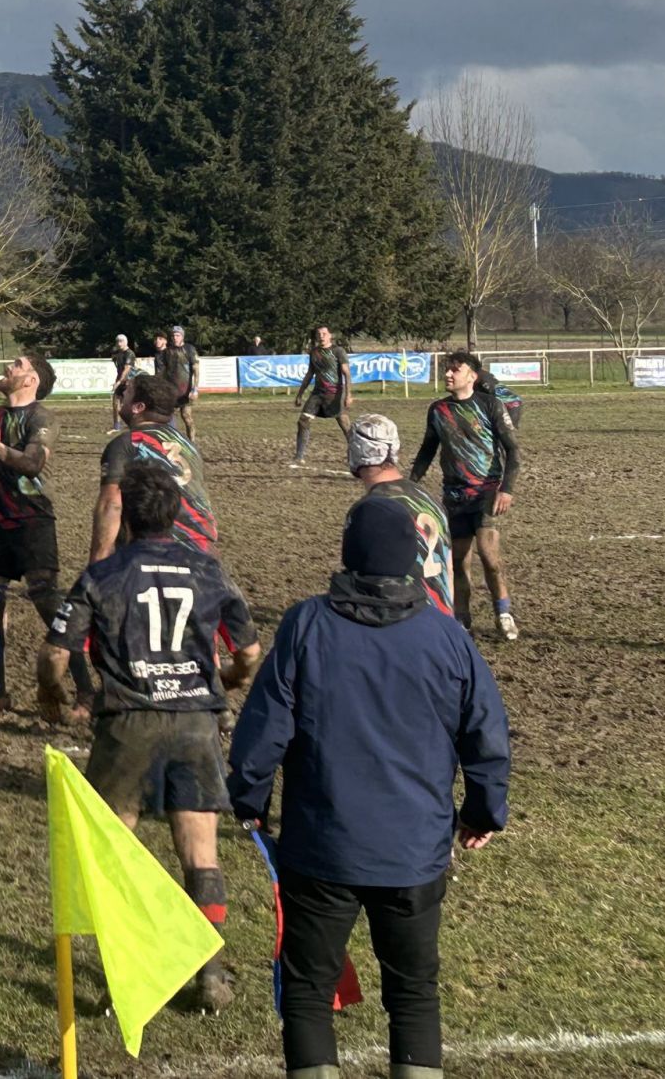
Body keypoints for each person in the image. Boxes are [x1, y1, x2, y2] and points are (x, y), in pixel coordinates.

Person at [228, 497, 510, 1079]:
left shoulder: (307, 624)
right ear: (413, 558)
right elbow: (486, 733)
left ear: (348, 554)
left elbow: (263, 728)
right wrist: (483, 811)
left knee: (308, 990)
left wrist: (249, 798)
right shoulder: (448, 637)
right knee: (413, 992)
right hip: (415, 853)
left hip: (322, 849)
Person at [42, 465, 261, 1013]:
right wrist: (224, 683)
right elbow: (250, 655)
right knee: (202, 856)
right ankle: (209, 975)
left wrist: (52, 696)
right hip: (195, 723)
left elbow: (53, 654)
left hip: (128, 724)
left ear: (128, 516)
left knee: (117, 856)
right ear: (175, 512)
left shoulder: (103, 574)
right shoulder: (209, 570)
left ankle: (132, 975)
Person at [0, 353, 76, 718]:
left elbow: (31, 463)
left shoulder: (42, 418)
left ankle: (85, 690)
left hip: (32, 522)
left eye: (18, 365)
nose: (8, 367)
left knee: (47, 604)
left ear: (31, 380)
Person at [410, 350, 522, 641]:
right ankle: (462, 620)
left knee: (489, 558)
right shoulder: (437, 410)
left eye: (454, 370)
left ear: (471, 376)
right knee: (458, 562)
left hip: (486, 493)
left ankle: (503, 613)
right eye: (447, 370)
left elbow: (513, 450)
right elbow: (427, 450)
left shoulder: (490, 405)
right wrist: (411, 482)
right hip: (454, 496)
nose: (448, 374)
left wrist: (506, 489)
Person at [91, 373, 216, 564]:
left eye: (129, 392)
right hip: (202, 544)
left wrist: (98, 563)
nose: (123, 395)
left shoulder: (127, 443)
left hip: (157, 546)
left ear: (138, 407)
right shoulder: (189, 445)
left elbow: (111, 504)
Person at [344, 415, 455, 617]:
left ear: (358, 450)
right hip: (440, 619)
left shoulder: (372, 510)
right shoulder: (427, 497)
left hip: (405, 620)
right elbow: (448, 568)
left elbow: (367, 581)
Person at [292, 326, 352, 467]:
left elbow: (346, 373)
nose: (321, 336)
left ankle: (356, 454)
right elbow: (309, 374)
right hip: (317, 394)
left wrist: (348, 394)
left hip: (334, 394)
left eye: (324, 333)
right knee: (303, 421)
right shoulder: (314, 352)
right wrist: (299, 394)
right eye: (319, 334)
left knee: (345, 425)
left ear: (330, 335)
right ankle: (299, 456)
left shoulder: (338, 351)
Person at [159, 325, 202, 439]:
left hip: (185, 391)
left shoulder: (189, 349)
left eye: (177, 335)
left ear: (182, 336)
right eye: (173, 335)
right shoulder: (167, 352)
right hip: (171, 391)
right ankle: (172, 441)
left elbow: (196, 370)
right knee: (167, 417)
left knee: (186, 417)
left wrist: (195, 389)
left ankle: (192, 442)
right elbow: (163, 371)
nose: (175, 337)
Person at [108, 335, 136, 431]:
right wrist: (117, 381)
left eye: (121, 341)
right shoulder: (118, 354)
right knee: (116, 403)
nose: (119, 344)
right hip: (120, 380)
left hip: (129, 382)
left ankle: (134, 424)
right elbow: (119, 370)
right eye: (118, 342)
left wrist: (119, 381)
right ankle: (116, 426)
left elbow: (126, 369)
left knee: (130, 405)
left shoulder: (130, 354)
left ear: (126, 342)